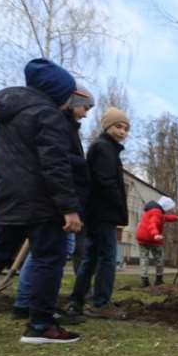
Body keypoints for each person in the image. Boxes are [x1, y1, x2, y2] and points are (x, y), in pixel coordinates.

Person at [0, 58, 83, 343]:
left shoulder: (9, 114)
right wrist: (69, 208)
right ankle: (40, 325)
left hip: (9, 196)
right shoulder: (48, 115)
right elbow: (54, 164)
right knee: (49, 258)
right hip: (43, 201)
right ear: (57, 91)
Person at [12, 87, 95, 323]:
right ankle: (36, 306)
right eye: (85, 107)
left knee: (44, 254)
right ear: (72, 102)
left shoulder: (64, 125)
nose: (85, 114)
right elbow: (55, 162)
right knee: (51, 254)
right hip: (57, 202)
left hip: (56, 200)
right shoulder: (59, 124)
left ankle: (27, 302)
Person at [66, 107, 131, 319]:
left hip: (96, 212)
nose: (122, 132)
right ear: (107, 126)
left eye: (125, 128)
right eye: (118, 126)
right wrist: (119, 206)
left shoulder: (106, 148)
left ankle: (76, 301)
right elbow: (105, 182)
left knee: (91, 258)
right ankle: (101, 303)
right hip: (103, 213)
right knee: (107, 258)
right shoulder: (104, 148)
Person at [136, 196, 178, 287]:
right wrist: (155, 234)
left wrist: (177, 218)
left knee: (144, 258)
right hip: (152, 238)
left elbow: (166, 218)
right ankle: (158, 279)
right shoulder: (157, 212)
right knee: (159, 258)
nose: (168, 210)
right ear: (165, 207)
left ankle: (144, 280)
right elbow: (153, 223)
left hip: (141, 237)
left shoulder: (151, 210)